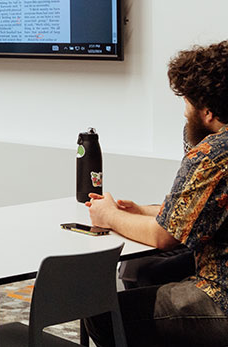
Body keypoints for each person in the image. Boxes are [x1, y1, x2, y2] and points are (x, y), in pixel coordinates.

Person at [86, 41, 228, 346]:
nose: (185, 111)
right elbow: (208, 207)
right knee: (145, 271)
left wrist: (108, 215)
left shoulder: (214, 153)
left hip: (222, 298)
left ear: (207, 111)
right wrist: (143, 210)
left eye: (188, 102)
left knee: (100, 314)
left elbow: (164, 236)